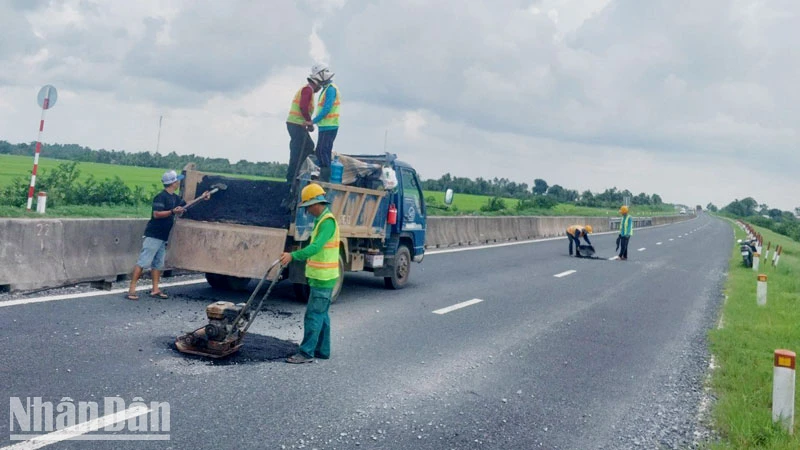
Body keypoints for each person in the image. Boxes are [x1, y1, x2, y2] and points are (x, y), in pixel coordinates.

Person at [126, 170, 209, 300]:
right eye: (177, 180)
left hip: (163, 237)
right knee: (143, 262)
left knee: (158, 264)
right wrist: (172, 211)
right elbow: (156, 214)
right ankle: (131, 289)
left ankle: (155, 289)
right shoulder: (160, 197)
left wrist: (202, 198)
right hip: (153, 235)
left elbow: (187, 205)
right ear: (172, 183)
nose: (178, 182)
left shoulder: (175, 198)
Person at [280, 183, 340, 363]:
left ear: (315, 203)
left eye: (307, 207)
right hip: (321, 277)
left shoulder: (327, 222)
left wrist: (293, 256)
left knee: (313, 314)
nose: (307, 211)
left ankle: (306, 353)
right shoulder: (321, 220)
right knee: (322, 314)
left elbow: (315, 247)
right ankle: (323, 350)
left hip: (324, 278)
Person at [286, 73, 322, 185]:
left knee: (303, 148)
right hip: (296, 124)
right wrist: (309, 122)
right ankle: (292, 176)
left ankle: (294, 174)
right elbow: (303, 107)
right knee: (303, 149)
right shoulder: (308, 90)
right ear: (316, 84)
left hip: (295, 124)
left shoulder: (307, 90)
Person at [307, 64, 340, 182]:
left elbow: (326, 109)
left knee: (323, 150)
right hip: (324, 126)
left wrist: (313, 121)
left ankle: (325, 180)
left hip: (330, 125)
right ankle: (322, 176)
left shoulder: (331, 89)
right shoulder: (326, 89)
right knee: (320, 151)